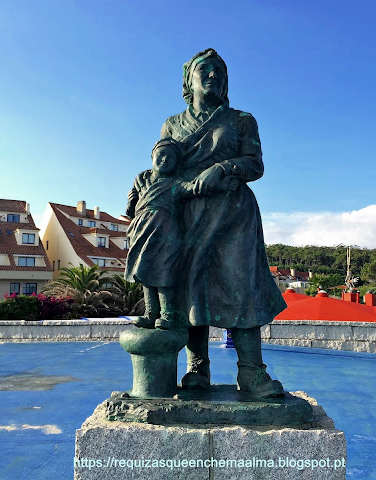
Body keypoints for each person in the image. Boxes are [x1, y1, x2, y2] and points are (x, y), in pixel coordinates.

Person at [160, 48, 287, 398]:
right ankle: (197, 369)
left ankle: (251, 372)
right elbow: (162, 167)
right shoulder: (172, 124)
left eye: (219, 70)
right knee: (191, 289)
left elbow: (255, 164)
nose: (212, 75)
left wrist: (224, 168)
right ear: (190, 80)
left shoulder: (242, 120)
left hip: (234, 214)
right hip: (188, 212)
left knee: (240, 286)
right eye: (205, 69)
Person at [125, 137, 238, 330]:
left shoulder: (175, 183)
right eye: (161, 155)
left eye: (171, 157)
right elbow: (131, 205)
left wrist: (222, 185)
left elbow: (195, 187)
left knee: (163, 272)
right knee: (143, 270)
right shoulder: (142, 178)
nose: (165, 160)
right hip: (141, 230)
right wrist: (131, 201)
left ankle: (167, 315)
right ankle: (151, 313)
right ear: (152, 157)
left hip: (166, 231)